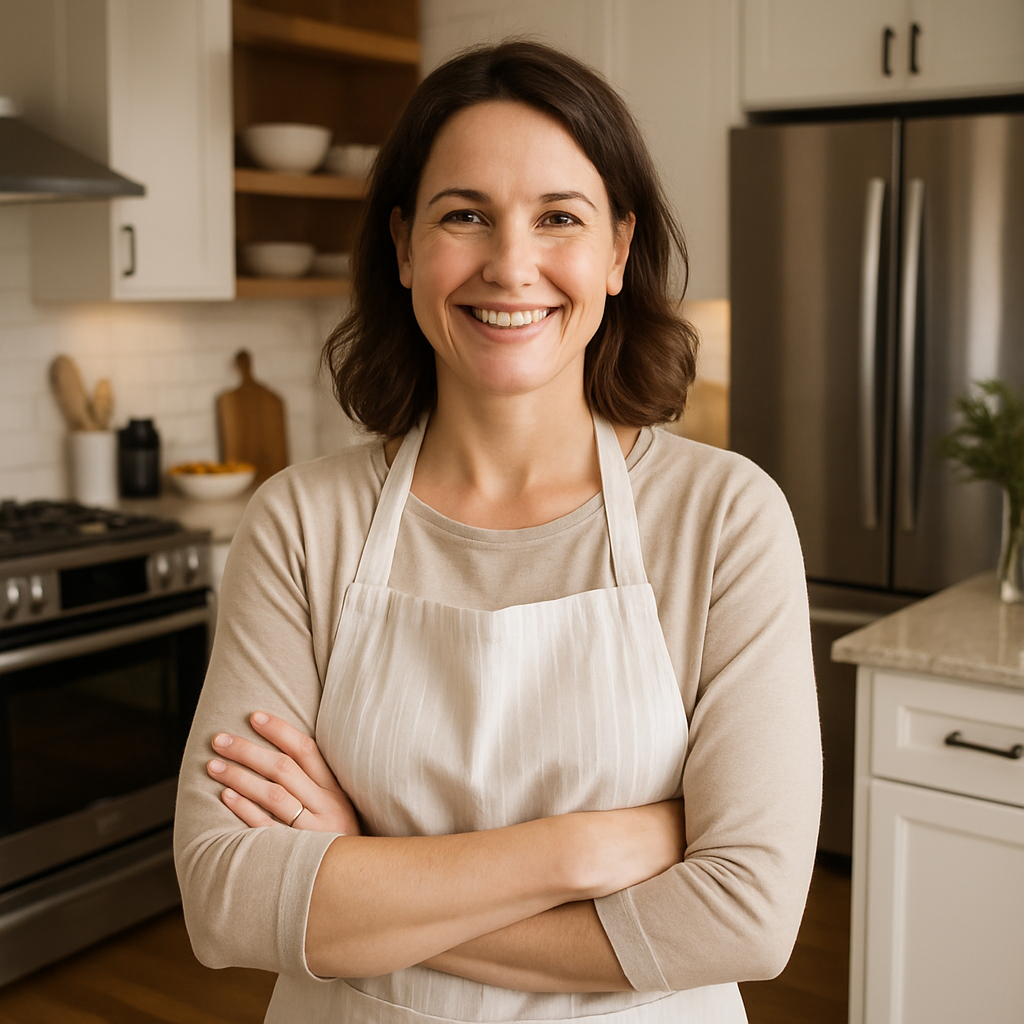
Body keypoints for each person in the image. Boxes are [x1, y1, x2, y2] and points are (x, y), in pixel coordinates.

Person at [173, 39, 821, 1024]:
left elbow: (744, 917)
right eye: (463, 215)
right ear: (401, 247)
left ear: (615, 250)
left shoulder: (725, 519)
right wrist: (580, 851)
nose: (510, 264)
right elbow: (224, 898)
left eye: (558, 216)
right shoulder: (302, 523)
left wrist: (359, 873)